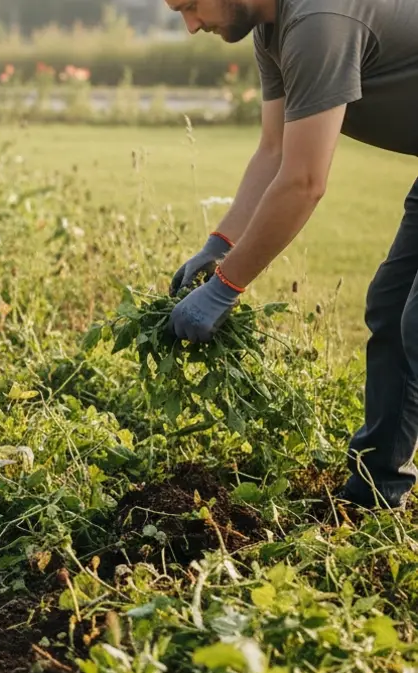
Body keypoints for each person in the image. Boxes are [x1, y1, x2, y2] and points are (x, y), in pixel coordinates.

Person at [164, 0, 418, 509]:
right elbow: (275, 151)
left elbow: (304, 182)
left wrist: (224, 288)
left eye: (190, 5)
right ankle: (376, 494)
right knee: (390, 313)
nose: (191, 26)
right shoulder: (272, 30)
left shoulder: (319, 22)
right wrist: (220, 245)